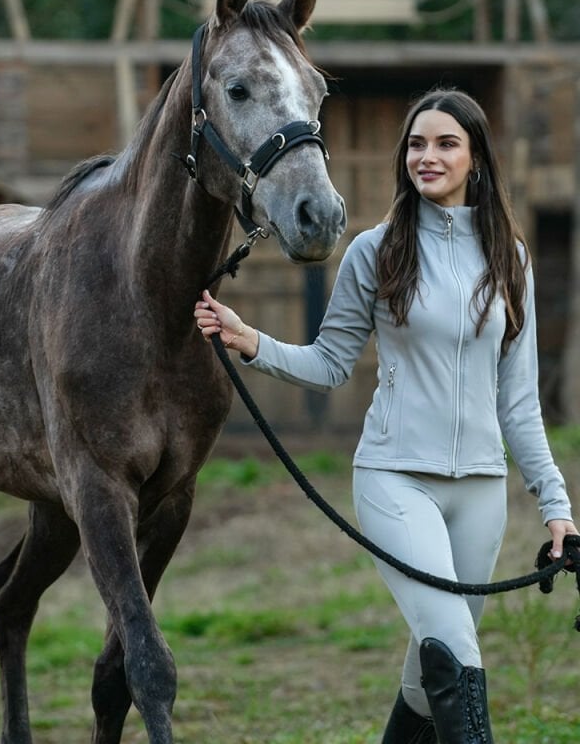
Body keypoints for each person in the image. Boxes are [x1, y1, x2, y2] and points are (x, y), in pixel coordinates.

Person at [194, 88, 577, 744]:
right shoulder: (376, 251)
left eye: (445, 143)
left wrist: (557, 506)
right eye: (417, 144)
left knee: (426, 677)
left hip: (481, 493)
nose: (426, 156)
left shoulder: (512, 259)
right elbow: (329, 363)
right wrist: (249, 340)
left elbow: (517, 401)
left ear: (477, 157)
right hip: (395, 479)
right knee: (454, 649)